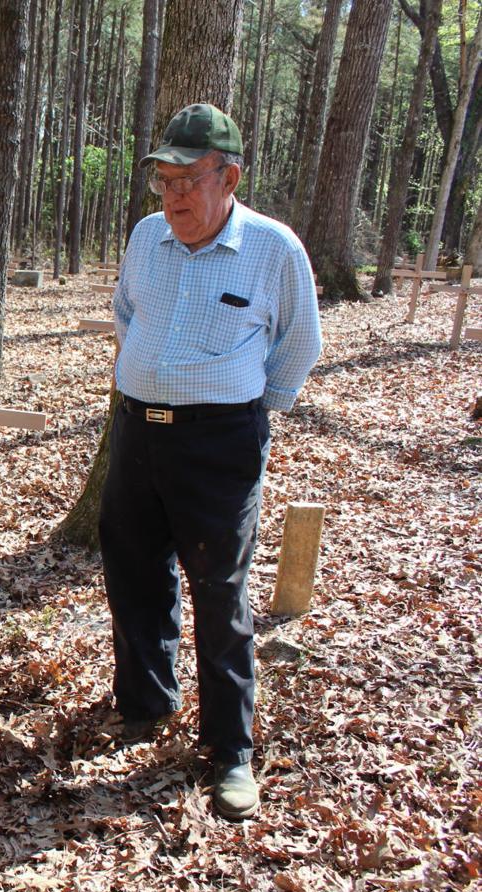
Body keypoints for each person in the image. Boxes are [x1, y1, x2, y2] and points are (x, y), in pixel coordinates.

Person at [101, 103, 322, 818]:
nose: (172, 199)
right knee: (133, 570)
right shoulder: (146, 238)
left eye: (187, 182)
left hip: (220, 443)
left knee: (220, 592)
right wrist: (150, 377)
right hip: (138, 432)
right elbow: (127, 312)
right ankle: (144, 705)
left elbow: (298, 344)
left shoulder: (274, 249)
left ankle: (231, 751)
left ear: (229, 176)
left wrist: (251, 408)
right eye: (162, 182)